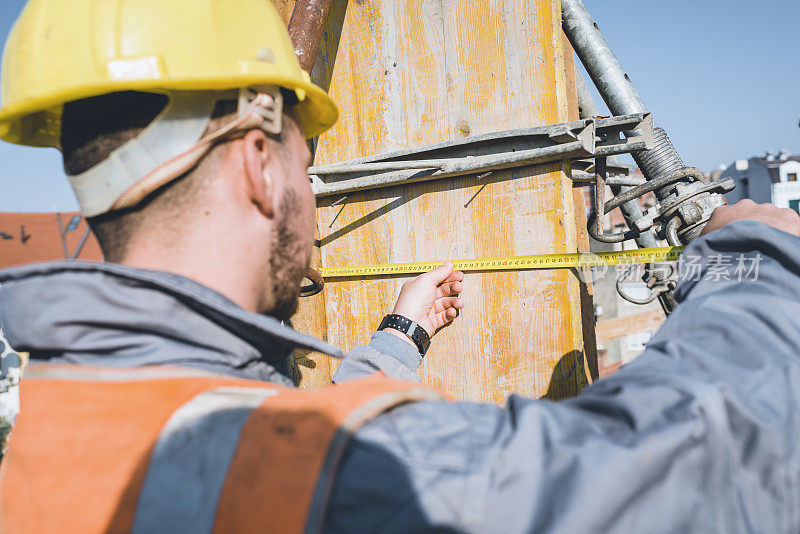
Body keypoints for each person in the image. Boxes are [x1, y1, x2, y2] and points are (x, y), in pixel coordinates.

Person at [1, 1, 800, 533]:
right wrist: (753, 260)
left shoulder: (58, 421)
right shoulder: (330, 471)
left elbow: (248, 426)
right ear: (257, 164)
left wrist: (400, 333)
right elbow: (700, 464)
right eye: (303, 161)